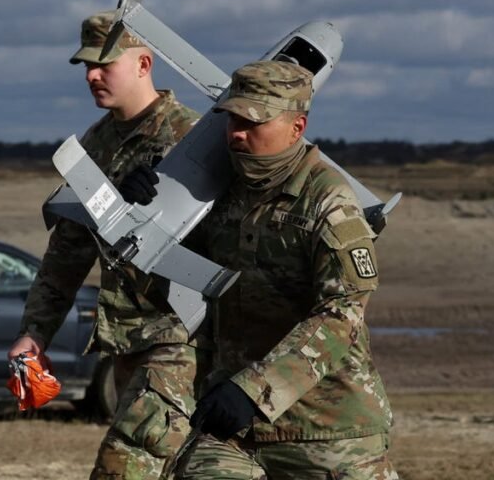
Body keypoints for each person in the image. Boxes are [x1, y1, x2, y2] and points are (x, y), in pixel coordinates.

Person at [170, 60, 397, 478]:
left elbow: (340, 317)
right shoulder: (218, 197)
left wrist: (252, 391)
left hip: (329, 432)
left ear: (297, 126)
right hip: (235, 430)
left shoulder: (329, 202)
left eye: (253, 122)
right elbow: (164, 285)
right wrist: (149, 205)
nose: (237, 134)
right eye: (232, 120)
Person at [7, 10, 207, 479]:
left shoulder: (194, 139)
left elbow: (234, 239)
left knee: (124, 468)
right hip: (127, 347)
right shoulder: (94, 148)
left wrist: (163, 206)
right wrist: (34, 333)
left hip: (182, 341)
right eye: (85, 67)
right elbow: (66, 256)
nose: (92, 75)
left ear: (144, 64)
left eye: (104, 64)